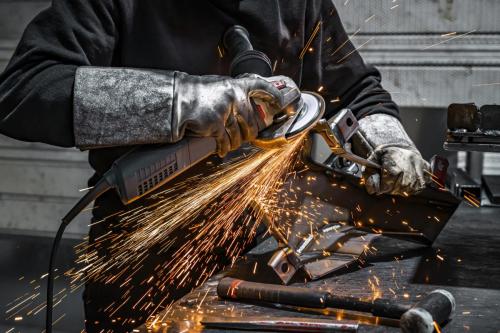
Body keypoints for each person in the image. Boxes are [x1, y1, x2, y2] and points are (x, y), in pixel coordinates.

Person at [0, 0, 429, 331]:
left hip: (264, 256)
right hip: (143, 254)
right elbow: (25, 91)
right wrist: (181, 100)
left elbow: (356, 89)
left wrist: (388, 140)